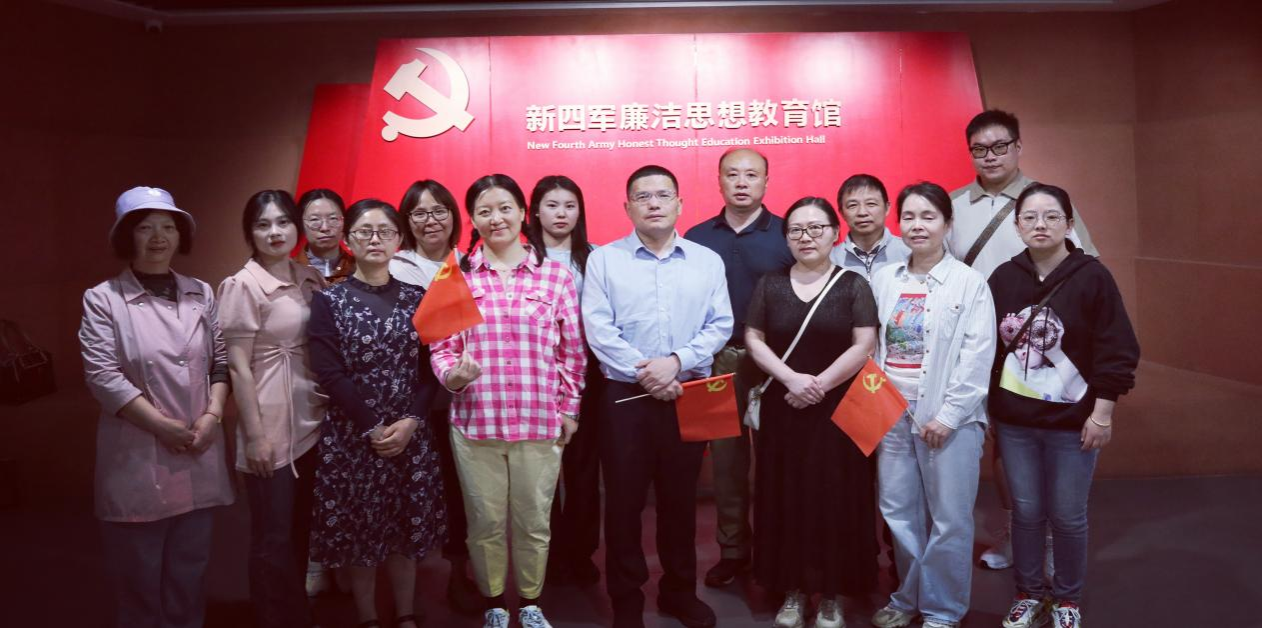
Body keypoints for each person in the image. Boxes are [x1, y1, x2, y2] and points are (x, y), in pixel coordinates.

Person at [431, 174, 587, 628]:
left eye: (504, 208)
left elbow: (572, 352)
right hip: (475, 422)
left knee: (534, 521)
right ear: (473, 220)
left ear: (522, 213)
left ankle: (532, 603)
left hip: (539, 421)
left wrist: (569, 408)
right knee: (484, 521)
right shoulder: (455, 275)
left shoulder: (555, 276)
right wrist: (452, 376)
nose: (495, 218)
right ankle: (495, 605)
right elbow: (441, 346)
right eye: (484, 211)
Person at [946, 109, 1098, 571]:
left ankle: (1051, 541)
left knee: (1048, 443)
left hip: (1042, 347)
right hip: (978, 344)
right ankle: (1017, 531)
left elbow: (1086, 266)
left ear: (1018, 147)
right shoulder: (953, 205)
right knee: (1002, 439)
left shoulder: (1044, 201)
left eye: (1000, 146)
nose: (990, 156)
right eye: (979, 149)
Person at [584, 165, 733, 628]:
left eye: (663, 195)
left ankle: (678, 592)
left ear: (679, 204)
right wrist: (649, 372)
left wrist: (676, 361)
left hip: (687, 392)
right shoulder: (603, 260)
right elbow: (598, 328)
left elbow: (720, 324)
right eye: (643, 196)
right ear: (627, 206)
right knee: (623, 503)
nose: (653, 203)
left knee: (680, 501)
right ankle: (626, 601)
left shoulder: (707, 261)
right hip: (624, 397)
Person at [80, 186, 234, 628]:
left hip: (200, 445)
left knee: (190, 570)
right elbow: (104, 377)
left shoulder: (200, 292)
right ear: (126, 236)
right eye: (145, 228)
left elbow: (219, 361)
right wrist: (164, 427)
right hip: (138, 454)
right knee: (139, 577)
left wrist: (212, 416)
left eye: (168, 226)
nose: (158, 237)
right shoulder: (103, 298)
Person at [988, 184, 1139, 628]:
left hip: (1074, 423)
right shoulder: (1003, 278)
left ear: (1069, 224)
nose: (1040, 224)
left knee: (1069, 517)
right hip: (1015, 423)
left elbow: (1117, 348)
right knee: (1026, 513)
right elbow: (985, 349)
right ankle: (1029, 593)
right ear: (1017, 226)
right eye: (1030, 217)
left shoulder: (1092, 277)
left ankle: (1067, 599)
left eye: (1052, 216)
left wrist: (1102, 414)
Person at [307, 199, 446, 628]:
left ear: (398, 240)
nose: (375, 239)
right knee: (360, 531)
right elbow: (329, 373)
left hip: (409, 432)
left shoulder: (418, 298)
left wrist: (412, 421)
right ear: (348, 240)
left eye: (385, 231)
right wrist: (372, 427)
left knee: (405, 528)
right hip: (353, 435)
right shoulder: (328, 301)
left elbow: (431, 370)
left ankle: (405, 613)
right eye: (364, 231)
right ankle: (367, 616)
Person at [746, 197, 879, 628]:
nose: (806, 237)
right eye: (796, 230)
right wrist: (791, 380)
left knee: (835, 498)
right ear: (786, 238)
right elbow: (754, 339)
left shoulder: (853, 284)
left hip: (837, 409)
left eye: (816, 228)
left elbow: (864, 344)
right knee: (785, 497)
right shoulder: (770, 284)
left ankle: (831, 595)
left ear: (835, 233)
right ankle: (792, 589)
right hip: (784, 407)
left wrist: (817, 385)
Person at [869, 183, 996, 628]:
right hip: (891, 412)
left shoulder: (969, 282)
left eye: (928, 216)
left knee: (950, 518)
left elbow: (978, 356)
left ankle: (943, 610)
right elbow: (873, 347)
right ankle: (908, 598)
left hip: (949, 417)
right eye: (909, 217)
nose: (917, 225)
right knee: (898, 512)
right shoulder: (884, 279)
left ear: (947, 223)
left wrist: (948, 415)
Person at [683, 148, 793, 588]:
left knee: (777, 458)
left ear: (766, 181)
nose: (742, 182)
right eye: (733, 174)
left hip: (775, 363)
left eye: (751, 175)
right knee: (726, 462)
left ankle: (775, 548)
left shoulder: (788, 232)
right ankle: (733, 550)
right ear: (719, 181)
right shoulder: (696, 237)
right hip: (717, 360)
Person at [217, 190, 326, 628]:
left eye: (283, 222)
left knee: (301, 530)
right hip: (270, 424)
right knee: (272, 536)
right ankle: (272, 617)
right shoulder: (242, 285)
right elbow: (237, 367)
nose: (275, 232)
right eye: (263, 225)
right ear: (250, 233)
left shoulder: (307, 277)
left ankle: (297, 612)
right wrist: (255, 436)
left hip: (311, 419)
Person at [388, 179, 482, 614]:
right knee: (417, 494)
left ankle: (462, 574)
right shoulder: (396, 268)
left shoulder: (473, 263)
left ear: (453, 216)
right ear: (407, 221)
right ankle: (406, 591)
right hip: (415, 400)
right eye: (420, 213)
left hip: (468, 399)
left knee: (464, 493)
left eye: (439, 210)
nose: (431, 220)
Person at [527, 175, 603, 588]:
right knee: (539, 473)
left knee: (583, 471)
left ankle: (580, 551)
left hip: (586, 377)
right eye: (552, 205)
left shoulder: (595, 258)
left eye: (570, 205)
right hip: (534, 378)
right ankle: (548, 552)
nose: (561, 213)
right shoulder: (521, 257)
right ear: (535, 211)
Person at [829, 173, 910, 280]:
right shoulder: (830, 260)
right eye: (852, 205)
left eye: (871, 204)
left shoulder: (910, 252)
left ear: (887, 208)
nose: (862, 212)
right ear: (842, 213)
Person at [294, 188, 355, 285]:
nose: (325, 228)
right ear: (300, 224)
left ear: (344, 221)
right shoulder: (289, 271)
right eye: (314, 219)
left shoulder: (360, 269)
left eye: (333, 218)